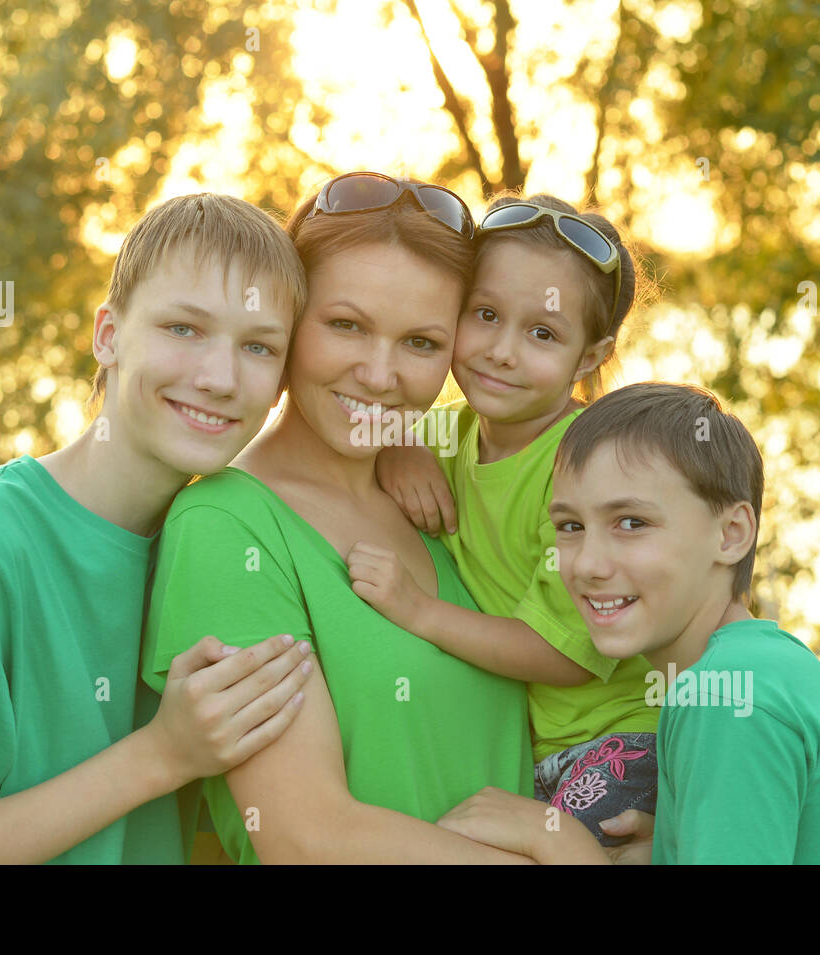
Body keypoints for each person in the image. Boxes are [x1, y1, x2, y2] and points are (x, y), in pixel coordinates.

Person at [0, 194, 314, 864]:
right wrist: (162, 754)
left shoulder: (225, 546)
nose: (219, 377)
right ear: (108, 334)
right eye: (183, 328)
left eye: (259, 346)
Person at [141, 171, 542, 864]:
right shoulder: (225, 526)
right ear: (291, 321)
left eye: (420, 343)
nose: (380, 375)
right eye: (346, 325)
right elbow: (308, 835)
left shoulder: (450, 498)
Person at [439, 382, 820, 864]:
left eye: (631, 523)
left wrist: (561, 843)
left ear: (731, 534)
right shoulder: (758, 668)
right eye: (570, 527)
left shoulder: (727, 696)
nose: (587, 565)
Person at [363, 194, 659, 845]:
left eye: (542, 333)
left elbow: (565, 654)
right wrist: (397, 444)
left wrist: (419, 612)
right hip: (535, 753)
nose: (501, 351)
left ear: (589, 356)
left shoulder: (586, 467)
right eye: (486, 315)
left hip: (622, 745)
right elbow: (355, 424)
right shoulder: (451, 430)